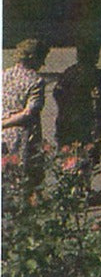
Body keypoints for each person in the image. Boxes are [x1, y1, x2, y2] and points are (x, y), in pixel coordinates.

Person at [54, 40, 101, 175]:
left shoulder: (69, 72)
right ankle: (84, 188)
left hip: (66, 120)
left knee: (69, 156)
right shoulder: (97, 74)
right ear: (94, 56)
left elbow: (57, 93)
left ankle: (70, 183)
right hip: (88, 120)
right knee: (88, 156)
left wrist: (65, 107)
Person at [2, 39, 49, 180]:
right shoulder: (36, 81)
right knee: (26, 179)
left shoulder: (4, 75)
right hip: (24, 136)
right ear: (34, 58)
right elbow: (29, 113)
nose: (43, 64)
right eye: (42, 59)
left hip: (3, 135)